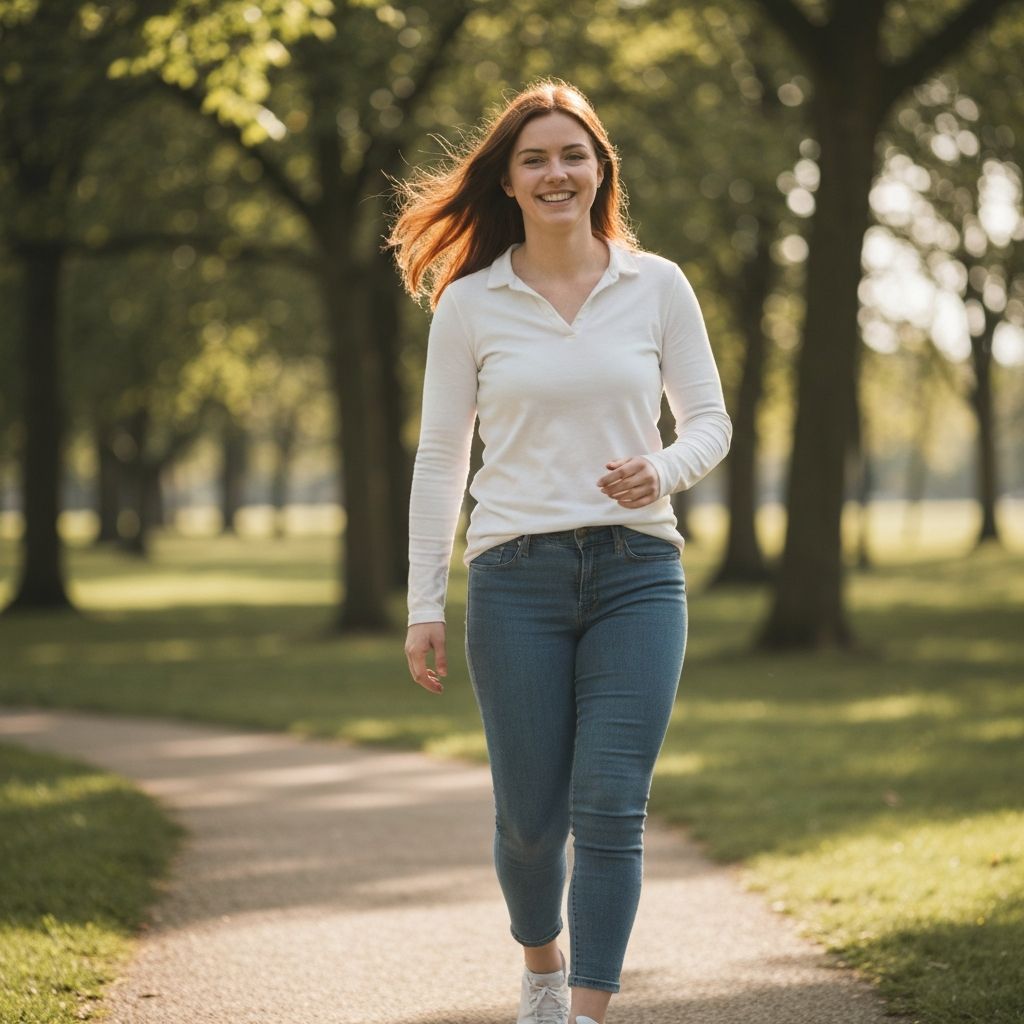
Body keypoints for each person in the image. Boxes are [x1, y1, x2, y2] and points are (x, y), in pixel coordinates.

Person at [387, 79, 732, 1024]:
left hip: (639, 578)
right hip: (515, 582)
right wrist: (425, 603)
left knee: (612, 806)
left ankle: (584, 1013)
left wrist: (660, 471)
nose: (555, 172)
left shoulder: (657, 285)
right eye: (534, 157)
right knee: (531, 825)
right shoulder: (469, 304)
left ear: (600, 170)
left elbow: (710, 422)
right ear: (507, 178)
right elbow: (440, 460)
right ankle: (541, 963)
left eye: (572, 155)